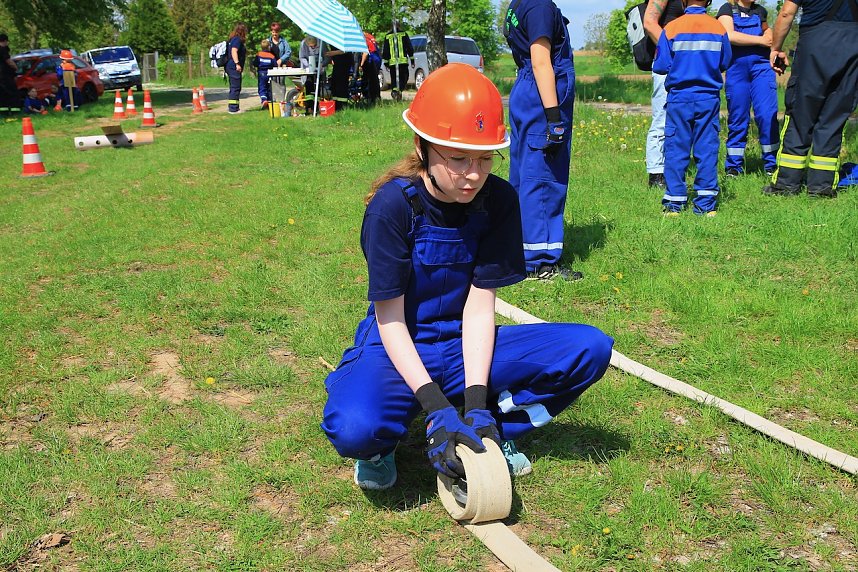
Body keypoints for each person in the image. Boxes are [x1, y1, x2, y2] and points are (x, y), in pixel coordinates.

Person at [320, 64, 613, 492]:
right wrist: (435, 407)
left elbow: (479, 307)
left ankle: (490, 432)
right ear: (423, 147)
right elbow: (390, 320)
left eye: (484, 158)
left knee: (589, 348)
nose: (474, 174)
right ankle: (382, 446)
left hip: (464, 344)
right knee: (355, 428)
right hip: (399, 340)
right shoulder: (391, 208)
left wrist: (475, 403)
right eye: (458, 158)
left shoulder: (498, 200)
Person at [503, 0, 580, 280]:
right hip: (540, 95)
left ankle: (517, 248)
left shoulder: (519, 4)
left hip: (526, 91)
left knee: (523, 175)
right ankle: (540, 261)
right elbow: (540, 60)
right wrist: (553, 118)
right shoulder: (539, 6)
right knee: (543, 178)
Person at [762, 0, 858, 198]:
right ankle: (821, 188)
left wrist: (776, 48)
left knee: (800, 116)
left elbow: (787, 13)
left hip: (815, 46)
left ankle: (787, 184)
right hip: (852, 49)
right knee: (833, 118)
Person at [653, 0, 731, 216]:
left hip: (680, 98)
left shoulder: (672, 28)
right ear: (709, 1)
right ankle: (706, 205)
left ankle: (674, 204)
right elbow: (725, 62)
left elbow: (660, 66)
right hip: (708, 99)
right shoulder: (718, 28)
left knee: (676, 149)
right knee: (706, 149)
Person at [716, 0, 779, 176]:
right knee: (738, 117)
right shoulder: (727, 9)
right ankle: (734, 166)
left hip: (762, 69)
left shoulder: (760, 11)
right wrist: (760, 40)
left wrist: (772, 40)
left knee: (767, 115)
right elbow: (729, 35)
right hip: (737, 70)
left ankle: (771, 164)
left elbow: (770, 35)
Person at [643, 0, 686, 190]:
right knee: (662, 117)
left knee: (682, 118)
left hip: (686, 63)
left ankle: (675, 168)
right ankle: (656, 174)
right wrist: (673, 50)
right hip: (667, 63)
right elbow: (649, 23)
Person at [381, 21, 413, 101]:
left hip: (392, 63)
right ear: (399, 26)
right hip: (402, 62)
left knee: (394, 79)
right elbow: (409, 47)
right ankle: (397, 91)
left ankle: (395, 91)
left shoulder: (387, 36)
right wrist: (412, 60)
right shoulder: (404, 34)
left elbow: (385, 50)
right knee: (404, 78)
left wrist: (386, 62)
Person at [226, 23, 248, 114]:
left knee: (234, 87)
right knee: (236, 87)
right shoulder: (237, 40)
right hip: (233, 66)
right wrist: (237, 64)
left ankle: (233, 107)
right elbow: (234, 51)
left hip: (230, 65)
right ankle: (233, 109)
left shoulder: (232, 39)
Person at [268, 22, 292, 104]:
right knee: (273, 82)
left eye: (276, 32)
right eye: (273, 32)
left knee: (281, 81)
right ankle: (274, 100)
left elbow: (288, 52)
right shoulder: (268, 41)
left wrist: (281, 60)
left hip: (282, 65)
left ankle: (281, 99)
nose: (274, 34)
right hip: (272, 65)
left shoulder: (283, 41)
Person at [251, 39, 277, 109]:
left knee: (262, 87)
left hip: (261, 73)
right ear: (269, 47)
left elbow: (255, 63)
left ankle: (264, 100)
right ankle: (269, 102)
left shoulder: (259, 54)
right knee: (269, 88)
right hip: (270, 73)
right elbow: (275, 64)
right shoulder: (271, 56)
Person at [0, 32, 21, 116]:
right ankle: (15, 111)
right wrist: (16, 67)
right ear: (4, 41)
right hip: (5, 76)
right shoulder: (2, 49)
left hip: (1, 77)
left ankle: (3, 112)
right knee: (13, 92)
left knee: (2, 94)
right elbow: (8, 61)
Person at [299, 36, 322, 110]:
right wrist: (308, 65)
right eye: (310, 46)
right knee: (308, 84)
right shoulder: (303, 44)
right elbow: (302, 57)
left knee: (318, 86)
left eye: (314, 45)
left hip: (319, 68)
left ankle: (317, 106)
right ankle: (309, 106)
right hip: (308, 68)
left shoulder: (321, 43)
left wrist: (322, 65)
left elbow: (326, 56)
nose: (312, 47)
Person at [359, 31, 382, 105]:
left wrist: (361, 65)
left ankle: (369, 98)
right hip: (377, 58)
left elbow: (365, 53)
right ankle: (376, 97)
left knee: (368, 79)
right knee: (374, 79)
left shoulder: (362, 38)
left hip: (371, 59)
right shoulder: (369, 36)